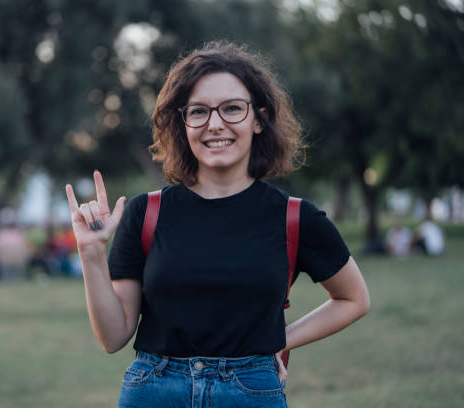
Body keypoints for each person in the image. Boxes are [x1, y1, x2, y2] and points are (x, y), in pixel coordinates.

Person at [65, 41, 370, 407]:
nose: (214, 124)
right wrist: (92, 253)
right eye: (199, 111)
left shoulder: (295, 217)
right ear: (183, 122)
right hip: (154, 392)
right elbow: (113, 337)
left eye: (231, 109)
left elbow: (354, 299)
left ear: (258, 118)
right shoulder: (146, 213)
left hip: (251, 392)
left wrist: (281, 339)